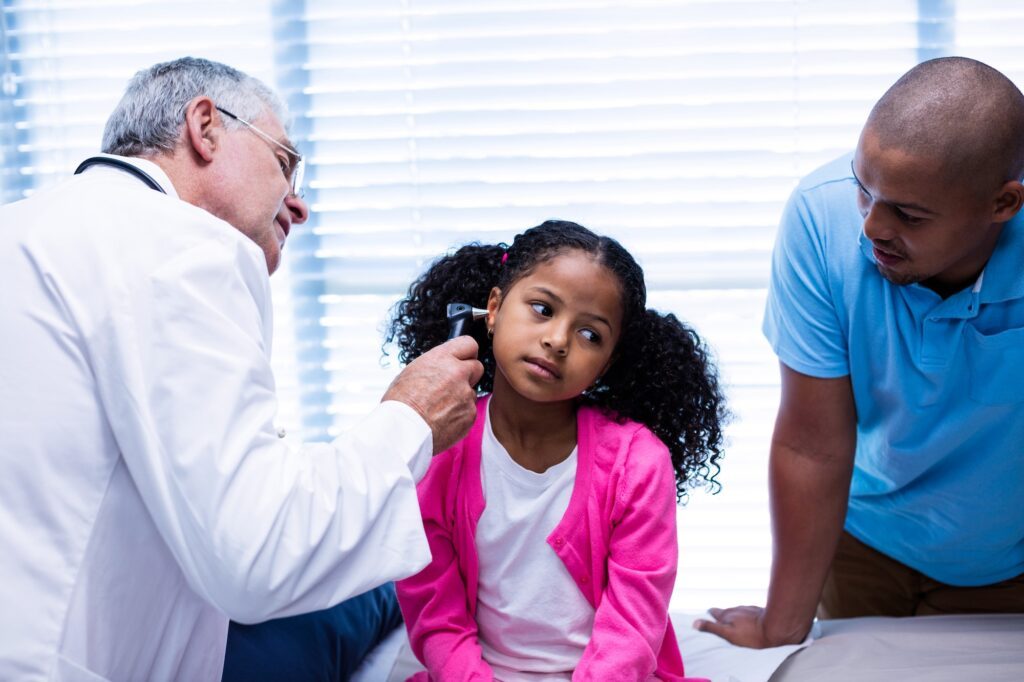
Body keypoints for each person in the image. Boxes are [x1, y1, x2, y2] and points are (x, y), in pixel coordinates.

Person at [0, 56, 483, 680]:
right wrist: (410, 419)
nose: (300, 205)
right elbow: (255, 554)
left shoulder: (23, 229)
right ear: (205, 126)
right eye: (285, 163)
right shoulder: (182, 241)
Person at [695, 56, 1024, 648]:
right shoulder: (819, 218)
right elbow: (812, 442)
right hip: (861, 544)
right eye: (863, 189)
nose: (871, 226)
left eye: (909, 213)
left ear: (1003, 205)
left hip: (1005, 562)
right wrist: (781, 627)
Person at [385, 220, 727, 680]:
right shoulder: (440, 445)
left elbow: (633, 626)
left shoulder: (638, 464)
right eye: (543, 309)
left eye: (591, 335)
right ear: (494, 308)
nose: (558, 340)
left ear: (609, 361)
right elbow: (435, 613)